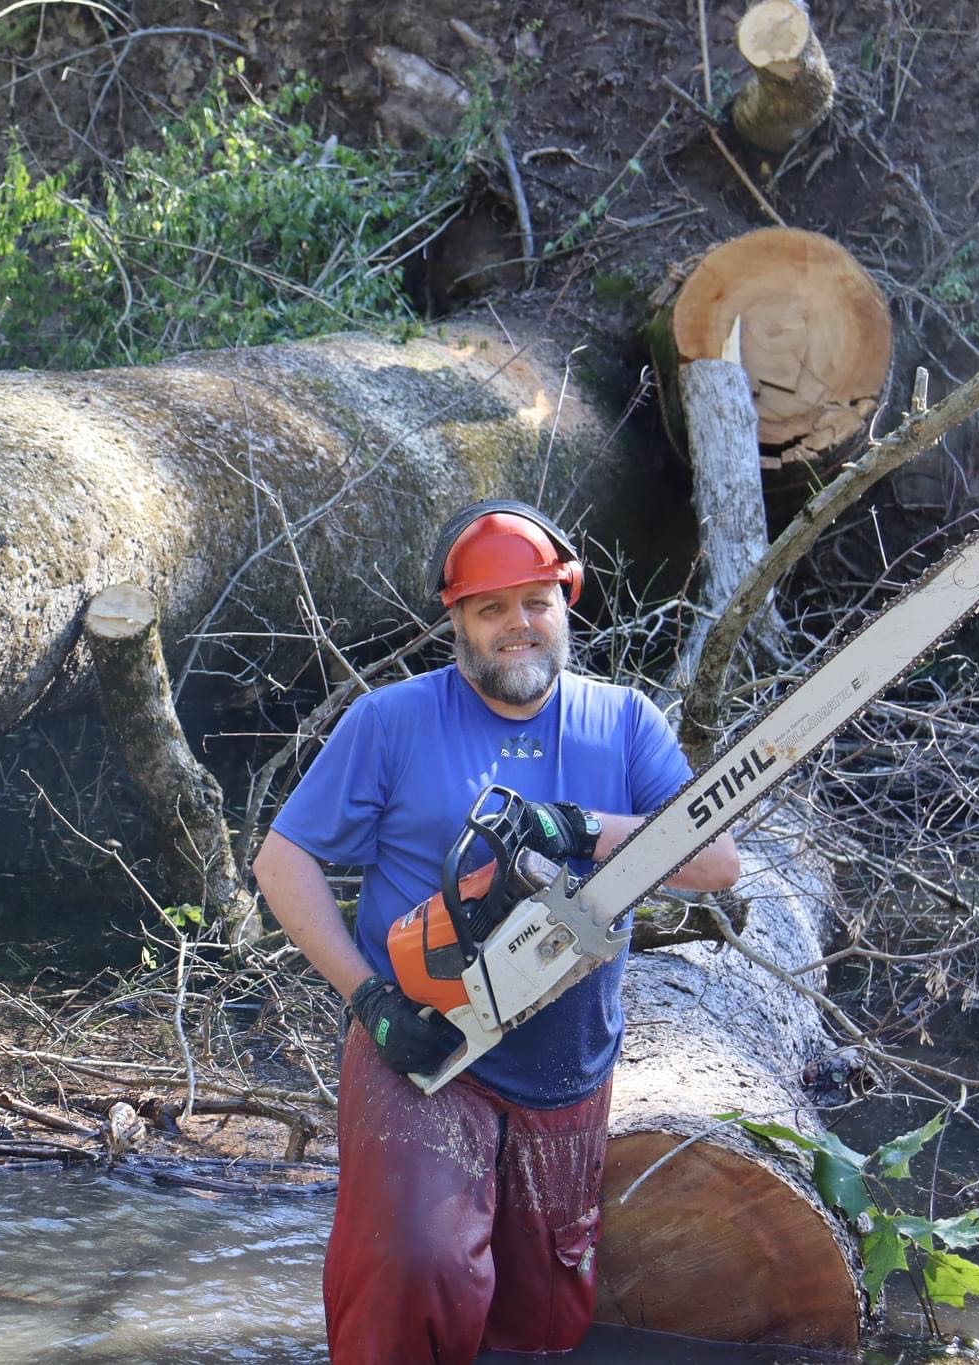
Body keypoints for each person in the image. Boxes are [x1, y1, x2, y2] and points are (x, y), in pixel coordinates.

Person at [251, 499, 740, 1364]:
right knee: (415, 1267)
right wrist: (367, 995)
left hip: (566, 1064)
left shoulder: (622, 721)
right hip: (424, 1045)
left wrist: (578, 828)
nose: (518, 625)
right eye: (492, 608)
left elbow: (716, 859)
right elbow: (280, 861)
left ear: (564, 602)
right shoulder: (392, 721)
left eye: (534, 603)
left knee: (539, 1324)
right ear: (458, 619)